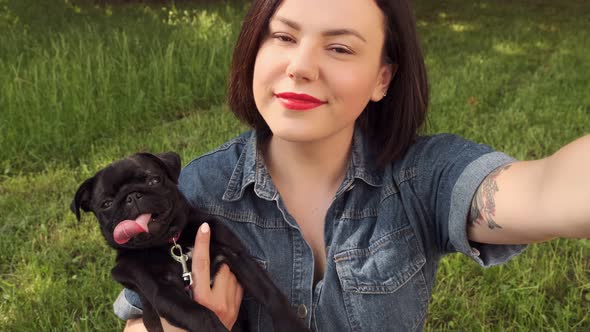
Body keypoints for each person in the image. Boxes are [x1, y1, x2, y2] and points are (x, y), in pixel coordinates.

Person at [116, 0, 590, 330]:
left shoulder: (421, 178)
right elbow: (139, 316)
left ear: (383, 77)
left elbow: (549, 190)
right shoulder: (201, 187)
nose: (300, 66)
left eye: (339, 47)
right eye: (282, 35)